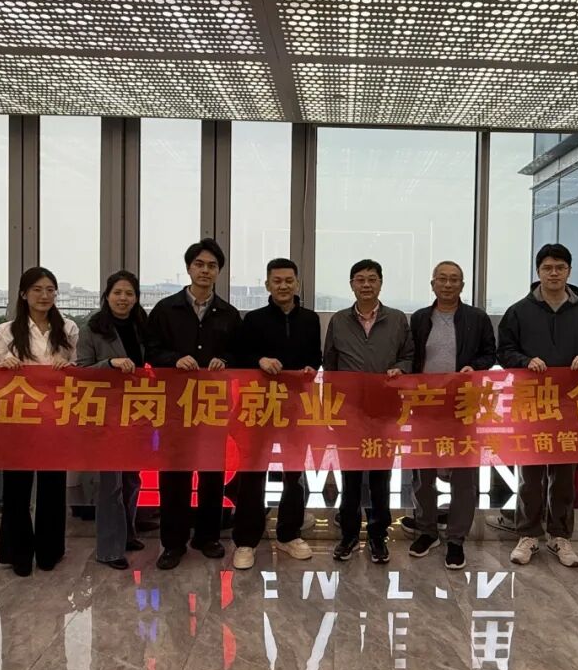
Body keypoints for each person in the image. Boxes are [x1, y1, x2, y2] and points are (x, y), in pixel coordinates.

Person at [497, 243, 578, 569]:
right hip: (532, 403)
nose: (554, 273)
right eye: (547, 268)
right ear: (538, 272)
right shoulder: (519, 311)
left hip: (571, 405)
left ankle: (560, 536)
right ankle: (528, 534)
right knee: (530, 474)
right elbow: (504, 350)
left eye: (560, 268)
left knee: (563, 475)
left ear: (569, 271)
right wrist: (524, 360)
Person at [146, 238, 241, 569]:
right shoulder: (165, 310)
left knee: (212, 472)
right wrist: (173, 359)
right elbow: (150, 349)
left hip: (214, 405)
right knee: (175, 474)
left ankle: (207, 536)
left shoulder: (229, 314)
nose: (205, 270)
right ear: (188, 268)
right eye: (199, 264)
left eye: (212, 266)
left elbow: (240, 354)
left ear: (218, 272)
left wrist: (225, 360)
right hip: (175, 406)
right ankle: (173, 543)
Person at [0, 266, 79, 577]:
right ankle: (19, 552)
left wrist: (68, 365)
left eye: (50, 289)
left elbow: (78, 368)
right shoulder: (8, 330)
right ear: (24, 294)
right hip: (19, 416)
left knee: (52, 486)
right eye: (37, 289)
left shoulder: (68, 328)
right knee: (17, 486)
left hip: (54, 416)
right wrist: (4, 363)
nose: (44, 295)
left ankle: (50, 550)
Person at [231, 258, 322, 570]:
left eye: (288, 281)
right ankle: (246, 540)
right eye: (277, 281)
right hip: (259, 407)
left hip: (296, 408)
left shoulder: (310, 320)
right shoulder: (253, 319)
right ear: (267, 284)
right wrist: (259, 360)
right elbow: (239, 357)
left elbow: (315, 357)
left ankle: (289, 534)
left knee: (293, 474)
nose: (283, 286)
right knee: (252, 472)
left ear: (297, 283)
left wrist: (311, 368)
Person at [408, 260, 496, 570]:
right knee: (423, 473)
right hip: (425, 404)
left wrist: (476, 367)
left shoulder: (477, 318)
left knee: (463, 474)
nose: (448, 284)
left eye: (454, 279)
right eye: (442, 279)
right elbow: (410, 356)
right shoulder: (420, 318)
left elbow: (490, 353)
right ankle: (427, 530)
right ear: (432, 284)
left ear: (462, 285)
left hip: (463, 404)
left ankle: (456, 538)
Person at [325, 259, 414, 563]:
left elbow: (409, 355)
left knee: (380, 477)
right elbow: (330, 365)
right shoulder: (339, 321)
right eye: (360, 279)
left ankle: (378, 536)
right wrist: (330, 409)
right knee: (350, 478)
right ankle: (348, 535)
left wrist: (400, 368)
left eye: (372, 279)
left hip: (385, 411)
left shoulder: (397, 319)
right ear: (352, 284)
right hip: (349, 412)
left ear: (380, 283)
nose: (366, 284)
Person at [76, 270, 149, 571]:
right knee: (111, 483)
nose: (123, 298)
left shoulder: (143, 325)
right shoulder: (92, 328)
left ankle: (128, 533)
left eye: (129, 293)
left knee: (132, 478)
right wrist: (110, 363)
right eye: (117, 293)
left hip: (139, 411)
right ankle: (108, 549)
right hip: (107, 415)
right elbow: (81, 372)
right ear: (106, 296)